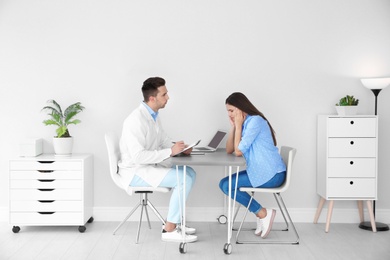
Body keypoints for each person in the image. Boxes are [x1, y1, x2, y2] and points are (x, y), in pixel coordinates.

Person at [119, 77, 197, 243]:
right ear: (152, 98)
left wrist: (179, 147)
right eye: (164, 94)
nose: (168, 97)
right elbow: (138, 157)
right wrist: (170, 151)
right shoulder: (135, 120)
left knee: (189, 172)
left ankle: (175, 222)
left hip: (146, 167)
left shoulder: (153, 116)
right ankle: (170, 228)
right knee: (183, 178)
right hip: (134, 171)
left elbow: (163, 140)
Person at [219, 92, 286, 239]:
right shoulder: (245, 122)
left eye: (231, 110)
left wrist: (238, 125)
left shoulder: (255, 121)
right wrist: (234, 127)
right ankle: (262, 213)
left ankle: (263, 213)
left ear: (240, 108)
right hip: (262, 172)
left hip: (272, 175)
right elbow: (229, 149)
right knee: (224, 184)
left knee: (226, 185)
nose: (229, 114)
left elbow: (237, 151)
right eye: (228, 111)